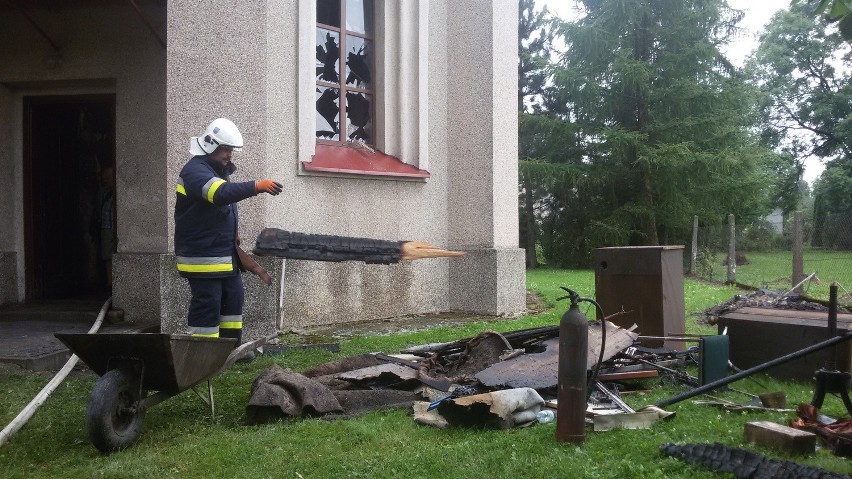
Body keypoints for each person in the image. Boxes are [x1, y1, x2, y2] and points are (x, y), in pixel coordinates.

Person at [174, 118, 283, 344]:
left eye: (231, 149)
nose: (229, 154)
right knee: (208, 304)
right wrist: (256, 186)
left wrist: (231, 233)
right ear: (210, 144)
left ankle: (230, 350)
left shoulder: (216, 171)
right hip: (202, 257)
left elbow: (216, 210)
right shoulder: (194, 171)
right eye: (225, 148)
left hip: (222, 253)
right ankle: (202, 354)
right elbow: (220, 195)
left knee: (233, 300)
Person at [95, 165, 117, 291]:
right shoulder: (103, 193)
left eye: (107, 178)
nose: (105, 180)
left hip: (116, 227)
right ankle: (110, 282)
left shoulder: (119, 191)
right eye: (104, 178)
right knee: (107, 255)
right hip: (106, 227)